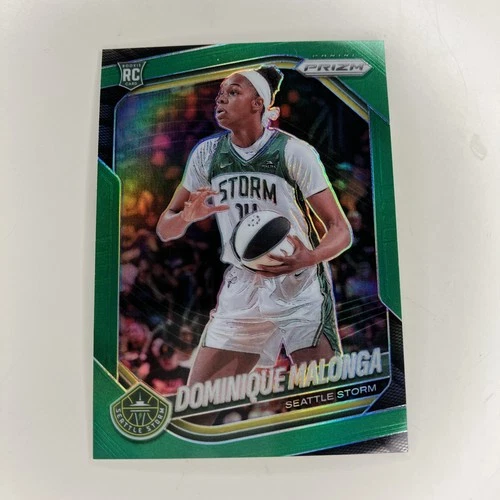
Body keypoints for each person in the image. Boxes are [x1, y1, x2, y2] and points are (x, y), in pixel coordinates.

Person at [156, 66, 352, 412]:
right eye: (220, 93)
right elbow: (164, 228)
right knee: (197, 407)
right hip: (242, 285)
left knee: (322, 402)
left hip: (296, 280)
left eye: (233, 92)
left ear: (257, 102)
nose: (220, 99)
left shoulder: (293, 152)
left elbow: (340, 229)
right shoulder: (206, 155)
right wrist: (187, 217)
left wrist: (310, 257)